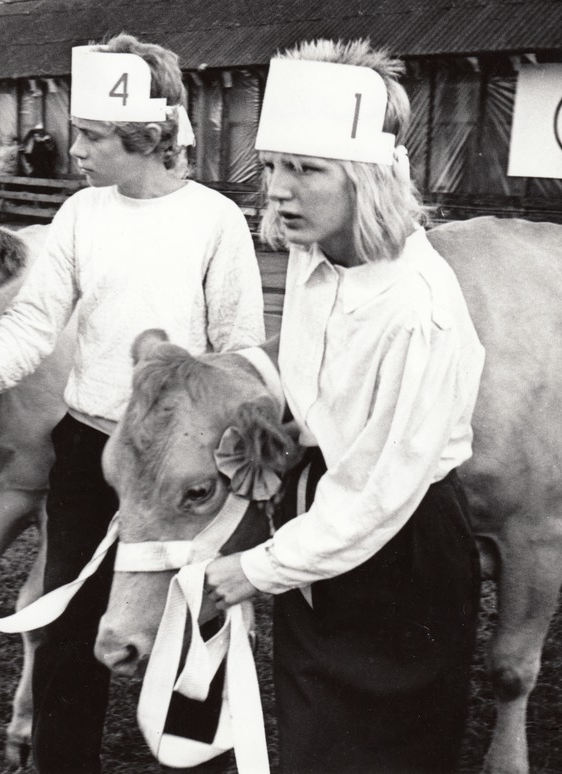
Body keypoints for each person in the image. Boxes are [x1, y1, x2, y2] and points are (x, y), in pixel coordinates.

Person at [0, 34, 265, 774]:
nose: (74, 147)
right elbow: (36, 326)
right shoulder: (81, 214)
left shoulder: (215, 221)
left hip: (181, 474)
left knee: (189, 619)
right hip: (87, 449)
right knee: (72, 630)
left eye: (91, 134)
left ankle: (196, 755)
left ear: (145, 135)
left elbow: (238, 353)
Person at [205, 39, 484, 774]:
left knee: (378, 751)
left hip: (402, 548)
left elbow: (378, 495)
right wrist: (292, 429)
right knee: (311, 737)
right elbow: (326, 393)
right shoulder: (313, 255)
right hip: (321, 522)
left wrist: (255, 569)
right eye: (271, 168)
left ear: (366, 179)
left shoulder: (415, 311)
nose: (280, 191)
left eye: (306, 170)